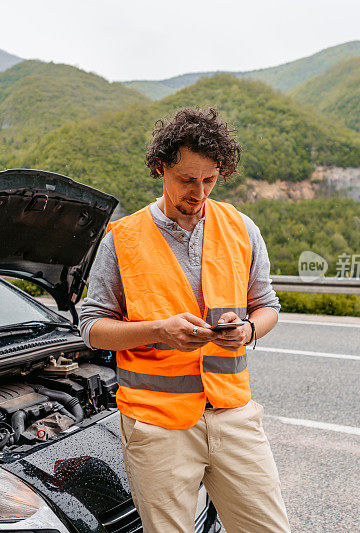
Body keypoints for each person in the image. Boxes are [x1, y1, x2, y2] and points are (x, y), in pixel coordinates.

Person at [78, 107, 290, 532]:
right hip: (156, 426)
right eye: (186, 179)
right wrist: (158, 331)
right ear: (161, 168)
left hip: (233, 415)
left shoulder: (242, 228)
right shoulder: (123, 239)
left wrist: (248, 330)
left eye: (209, 179)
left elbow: (267, 306)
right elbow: (92, 329)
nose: (199, 192)